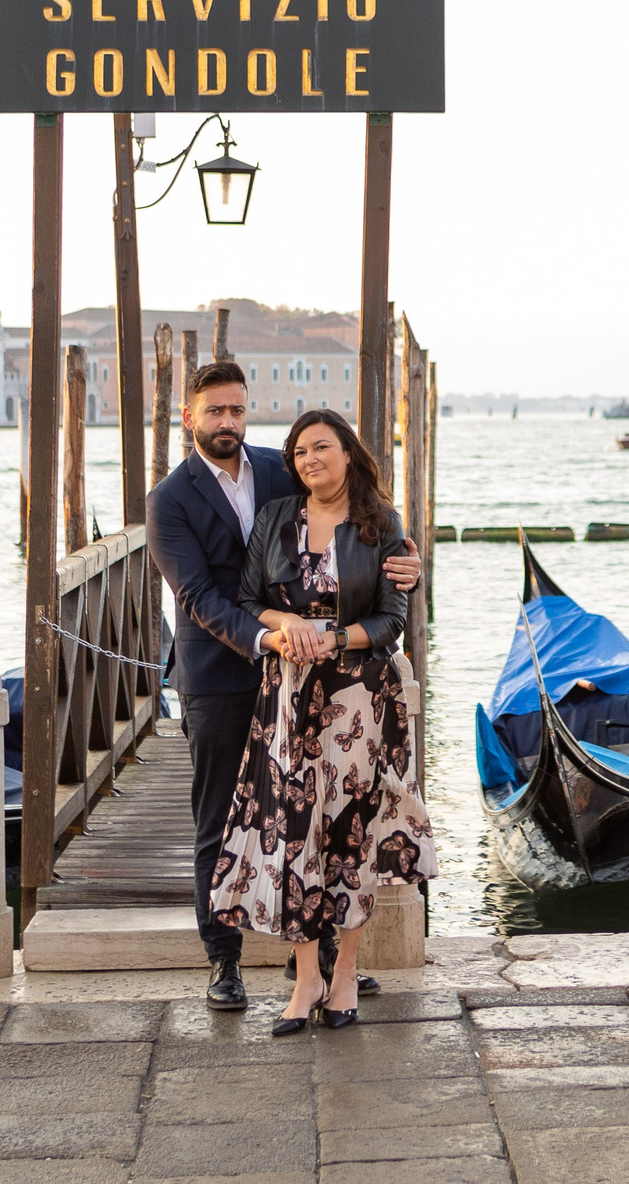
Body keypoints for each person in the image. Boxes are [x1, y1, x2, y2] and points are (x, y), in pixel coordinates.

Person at [148, 362, 417, 1011]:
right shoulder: (169, 499)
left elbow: (354, 538)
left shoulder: (281, 466)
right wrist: (271, 636)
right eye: (214, 412)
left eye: (236, 411)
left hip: (310, 683)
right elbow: (198, 596)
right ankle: (224, 959)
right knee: (221, 816)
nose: (227, 423)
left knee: (316, 813)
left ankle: (327, 961)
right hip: (220, 674)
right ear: (190, 417)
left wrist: (406, 565)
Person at [208, 408, 439, 1034]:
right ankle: (306, 976)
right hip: (287, 699)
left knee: (352, 834)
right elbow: (250, 601)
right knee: (294, 832)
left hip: (361, 704)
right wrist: (291, 630)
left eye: (322, 448)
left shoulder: (381, 526)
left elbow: (392, 620)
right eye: (300, 454)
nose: (311, 461)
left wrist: (333, 640)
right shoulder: (277, 519)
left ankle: (344, 979)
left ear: (348, 453)